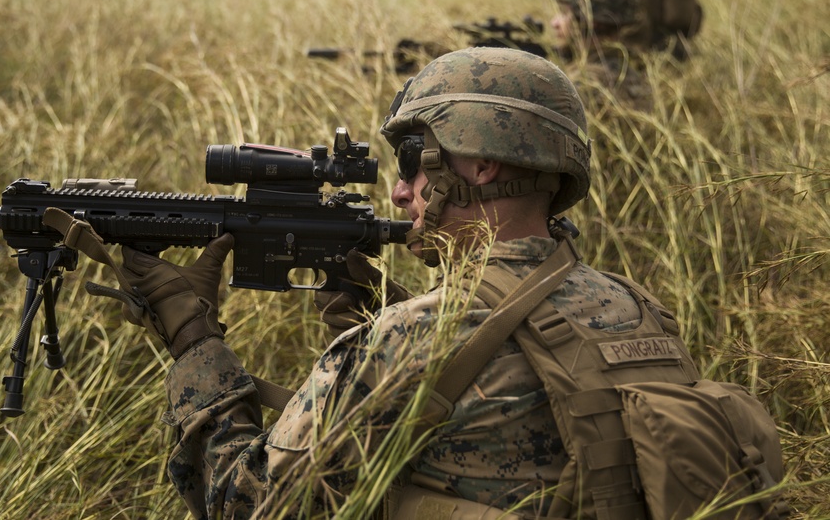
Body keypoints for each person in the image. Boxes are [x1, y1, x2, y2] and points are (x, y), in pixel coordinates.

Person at [86, 48, 780, 519]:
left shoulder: (409, 340)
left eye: (414, 158)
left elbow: (247, 502)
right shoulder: (637, 307)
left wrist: (191, 331)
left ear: (478, 163)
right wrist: (361, 330)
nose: (398, 188)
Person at [551, 0, 653, 112]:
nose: (554, 22)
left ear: (593, 21)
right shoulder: (633, 70)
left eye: (564, 13)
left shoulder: (581, 86)